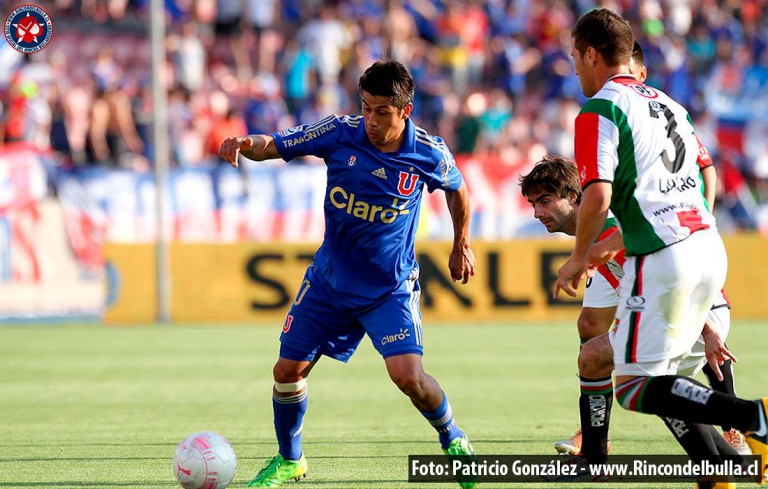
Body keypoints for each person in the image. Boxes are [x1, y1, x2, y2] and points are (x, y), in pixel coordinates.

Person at [219, 59, 478, 488]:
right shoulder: (340, 132)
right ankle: (290, 460)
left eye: (382, 111)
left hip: (387, 289)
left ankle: (454, 440)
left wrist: (460, 243)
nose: (371, 120)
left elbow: (458, 189)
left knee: (409, 379)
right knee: (286, 371)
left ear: (405, 111)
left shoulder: (428, 153)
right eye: (366, 107)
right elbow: (277, 145)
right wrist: (245, 142)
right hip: (329, 283)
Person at [554, 8, 766, 485]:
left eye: (574, 57)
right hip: (707, 243)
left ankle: (755, 418)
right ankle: (725, 470)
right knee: (659, 378)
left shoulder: (600, 108)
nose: (573, 69)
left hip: (664, 256)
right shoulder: (672, 105)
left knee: (633, 386)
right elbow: (689, 181)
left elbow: (598, 193)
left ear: (591, 54)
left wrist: (578, 256)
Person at [520, 156, 750, 472]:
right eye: (533, 204)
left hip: (694, 314)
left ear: (572, 196)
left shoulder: (609, 225)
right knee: (658, 396)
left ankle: (593, 459)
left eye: (544, 201)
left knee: (612, 368)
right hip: (679, 315)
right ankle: (737, 463)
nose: (537, 213)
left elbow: (670, 277)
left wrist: (707, 330)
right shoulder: (595, 229)